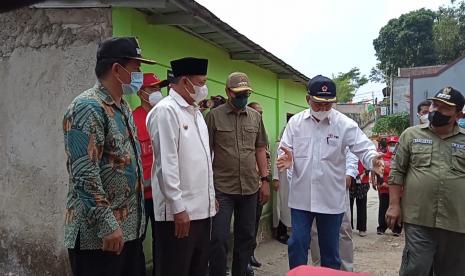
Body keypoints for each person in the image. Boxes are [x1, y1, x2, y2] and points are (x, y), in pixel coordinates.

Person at [63, 37, 156, 276]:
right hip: (100, 238)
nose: (139, 74)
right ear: (117, 69)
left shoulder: (122, 107)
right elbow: (84, 173)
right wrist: (107, 224)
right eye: (136, 68)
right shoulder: (87, 107)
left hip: (129, 233)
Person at [277, 75, 384, 270]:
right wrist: (288, 160)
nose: (323, 109)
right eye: (318, 104)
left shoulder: (344, 124)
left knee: (331, 251)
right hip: (302, 198)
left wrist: (373, 160)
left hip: (331, 199)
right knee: (297, 244)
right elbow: (284, 150)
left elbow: (363, 148)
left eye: (328, 105)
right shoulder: (296, 123)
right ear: (308, 99)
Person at [146, 57, 216, 276]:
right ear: (185, 82)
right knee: (175, 269)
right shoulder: (166, 111)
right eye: (201, 82)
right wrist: (178, 207)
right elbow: (167, 165)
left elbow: (204, 160)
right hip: (179, 214)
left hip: (202, 212)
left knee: (197, 269)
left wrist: (210, 198)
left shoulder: (195, 113)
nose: (204, 88)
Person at [386, 86, 465, 276]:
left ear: (458, 115)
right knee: (416, 268)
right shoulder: (411, 135)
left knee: (453, 271)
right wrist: (394, 205)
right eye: (434, 105)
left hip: (457, 220)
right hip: (418, 217)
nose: (436, 110)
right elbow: (397, 171)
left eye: (444, 108)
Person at [207, 72, 270, 276]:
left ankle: (241, 272)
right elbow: (206, 152)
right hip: (221, 188)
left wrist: (265, 180)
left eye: (246, 93)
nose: (243, 97)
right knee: (218, 237)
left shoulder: (255, 117)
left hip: (250, 188)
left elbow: (260, 149)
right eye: (239, 93)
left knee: (246, 236)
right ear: (228, 92)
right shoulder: (214, 117)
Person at [132, 73, 168, 275]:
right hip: (140, 195)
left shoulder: (165, 116)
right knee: (136, 240)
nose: (156, 93)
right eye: (152, 89)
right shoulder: (133, 118)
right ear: (141, 92)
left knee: (162, 241)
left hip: (162, 193)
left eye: (158, 89)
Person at [310, 150, 358, 272]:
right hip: (315, 186)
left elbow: (352, 150)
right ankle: (319, 269)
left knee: (344, 229)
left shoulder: (344, 130)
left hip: (338, 185)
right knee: (316, 230)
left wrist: (350, 173)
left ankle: (346, 270)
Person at [247, 102, 272, 275]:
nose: (259, 116)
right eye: (257, 112)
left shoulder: (262, 133)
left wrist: (266, 181)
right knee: (246, 225)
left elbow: (266, 158)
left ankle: (251, 254)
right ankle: (243, 259)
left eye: (261, 113)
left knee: (255, 222)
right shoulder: (246, 132)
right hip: (247, 185)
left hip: (259, 185)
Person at [375, 136, 402, 236]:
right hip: (384, 188)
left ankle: (397, 228)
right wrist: (380, 182)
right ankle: (382, 227)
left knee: (397, 207)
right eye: (390, 144)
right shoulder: (382, 157)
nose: (392, 146)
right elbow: (378, 170)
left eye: (394, 144)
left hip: (397, 188)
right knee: (383, 207)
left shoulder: (400, 158)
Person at [272, 128, 292, 244]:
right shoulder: (279, 145)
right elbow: (276, 162)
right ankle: (280, 233)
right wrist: (275, 178)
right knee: (280, 206)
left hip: (288, 181)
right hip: (280, 180)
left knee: (287, 207)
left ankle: (286, 231)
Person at [349, 160, 370, 237]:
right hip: (350, 180)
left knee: (362, 205)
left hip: (362, 181)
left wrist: (364, 173)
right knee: (348, 205)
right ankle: (348, 227)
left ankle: (362, 228)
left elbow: (369, 163)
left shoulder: (364, 149)